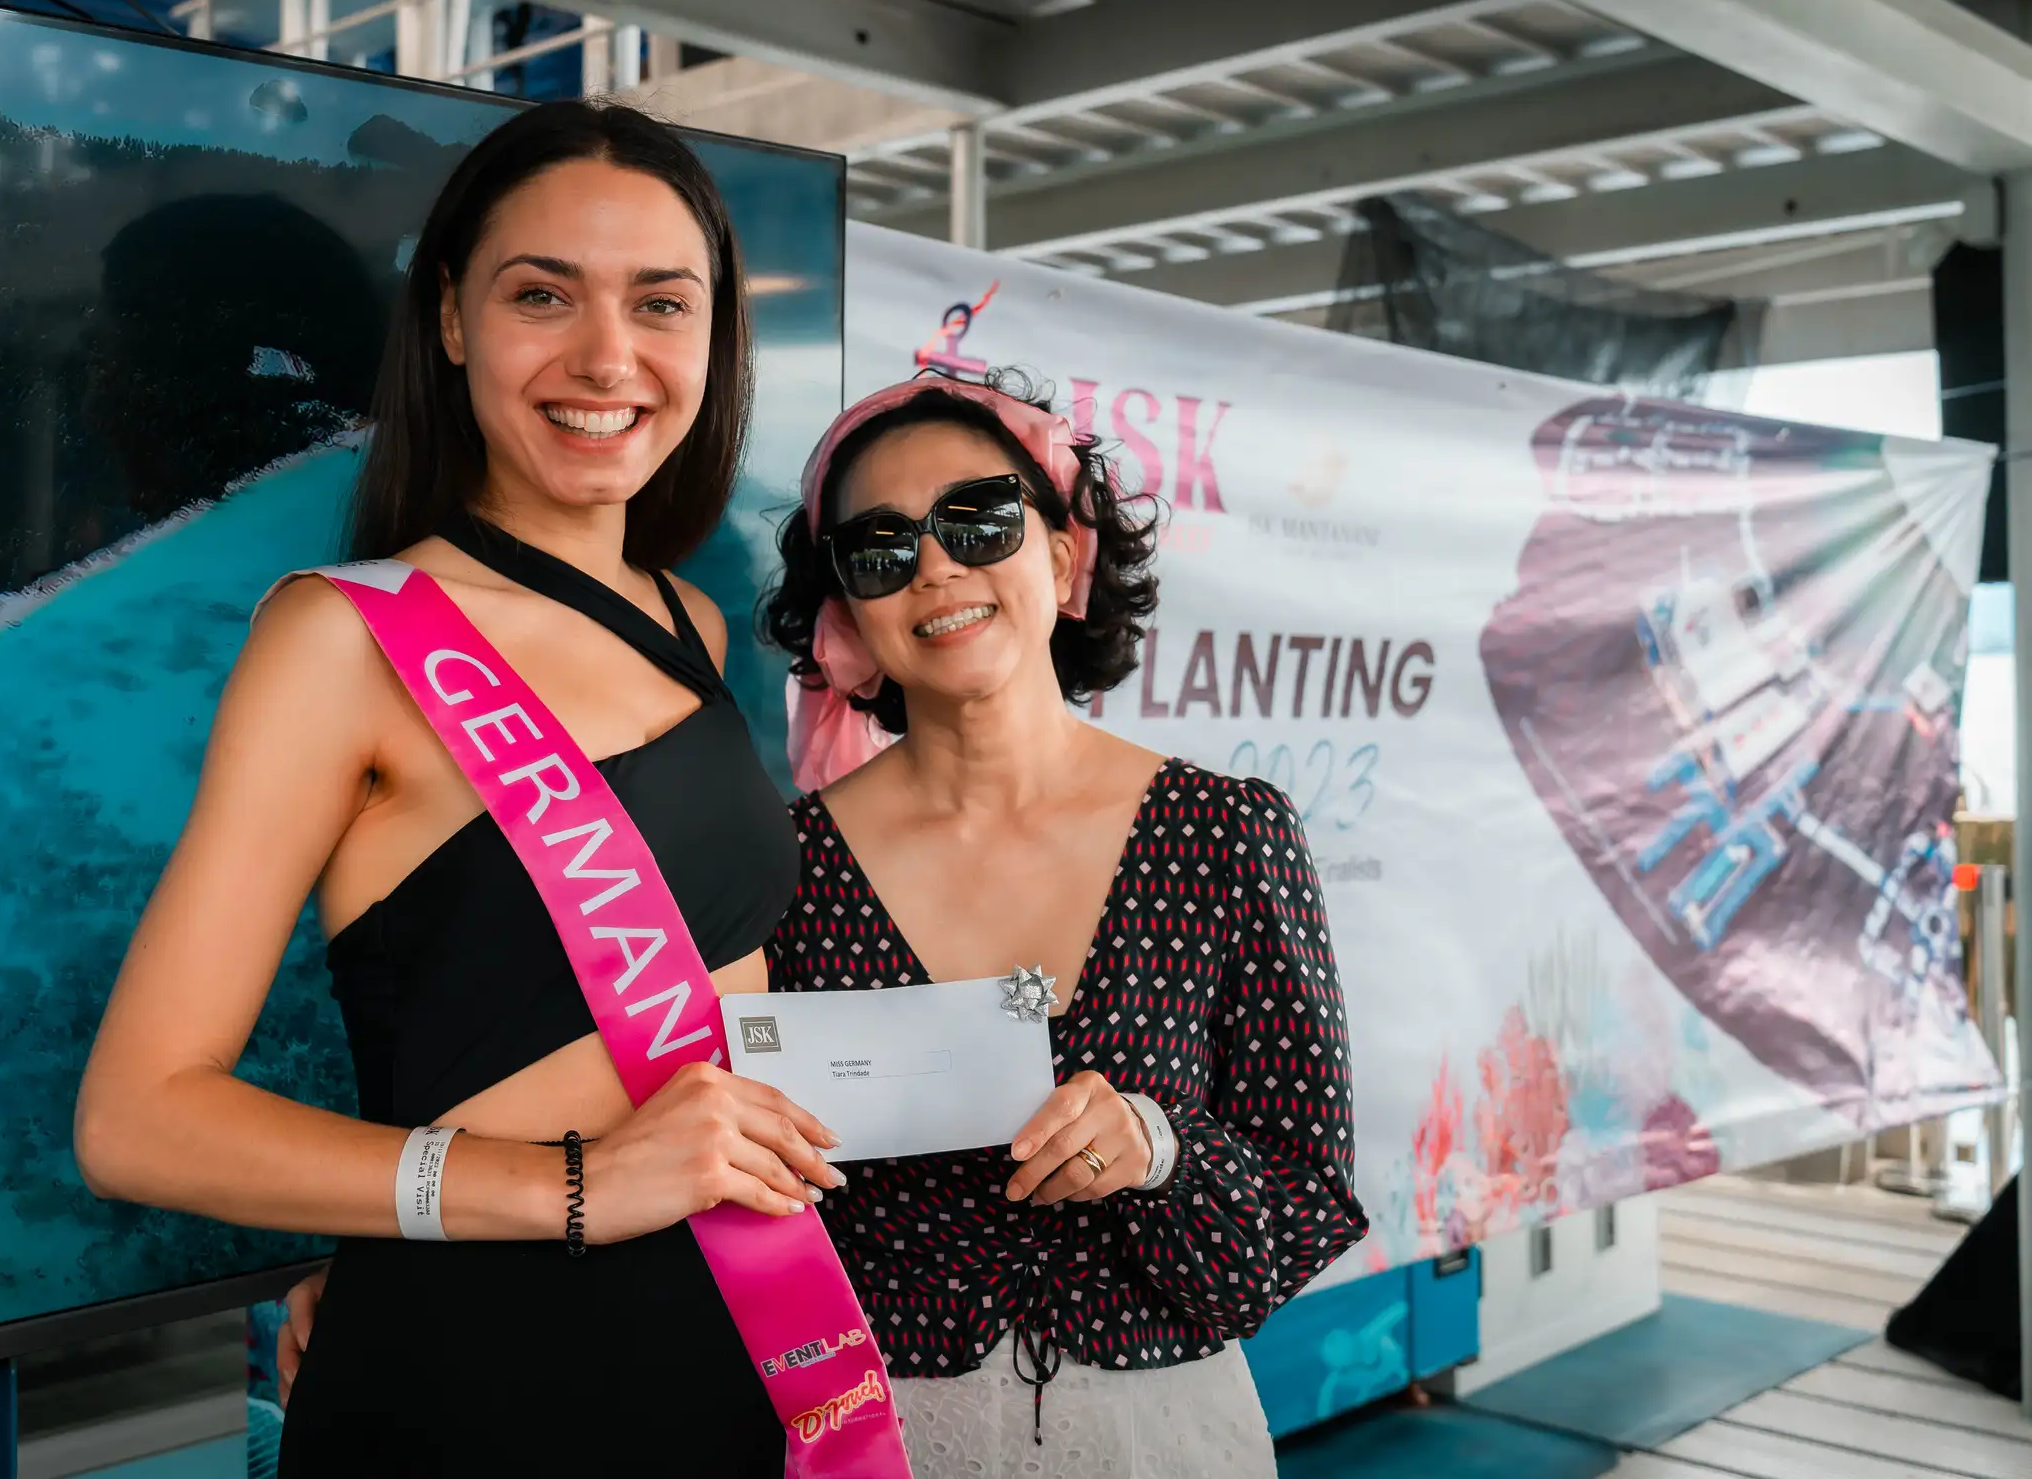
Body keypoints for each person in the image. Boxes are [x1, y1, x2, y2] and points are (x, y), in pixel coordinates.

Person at [278, 372, 1370, 1474]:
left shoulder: (1226, 834)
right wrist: (411, 1258)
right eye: (879, 547)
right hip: (855, 1429)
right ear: (847, 619)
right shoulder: (782, 867)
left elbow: (1308, 1201)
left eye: (978, 518)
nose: (935, 565)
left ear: (1059, 554)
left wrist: (1159, 1149)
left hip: (1160, 1435)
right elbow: (648, 1127)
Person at [73, 100, 845, 1477]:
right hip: (474, 1379)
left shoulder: (691, 622)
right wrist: (572, 1184)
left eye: (660, 303)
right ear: (449, 318)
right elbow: (137, 1118)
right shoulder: (341, 639)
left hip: (723, 1340)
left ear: (713, 336)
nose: (606, 356)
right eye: (541, 294)